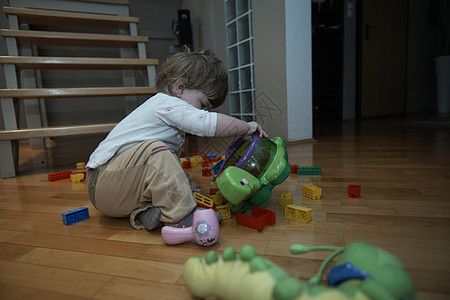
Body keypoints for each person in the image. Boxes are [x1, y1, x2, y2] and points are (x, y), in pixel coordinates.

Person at [86, 49, 268, 231]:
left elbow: (162, 168)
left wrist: (182, 183)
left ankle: (147, 213)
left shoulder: (170, 117)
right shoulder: (166, 103)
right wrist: (246, 127)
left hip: (120, 196)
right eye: (203, 105)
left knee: (162, 156)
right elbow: (206, 124)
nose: (203, 112)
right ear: (180, 88)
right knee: (156, 150)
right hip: (103, 180)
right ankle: (181, 216)